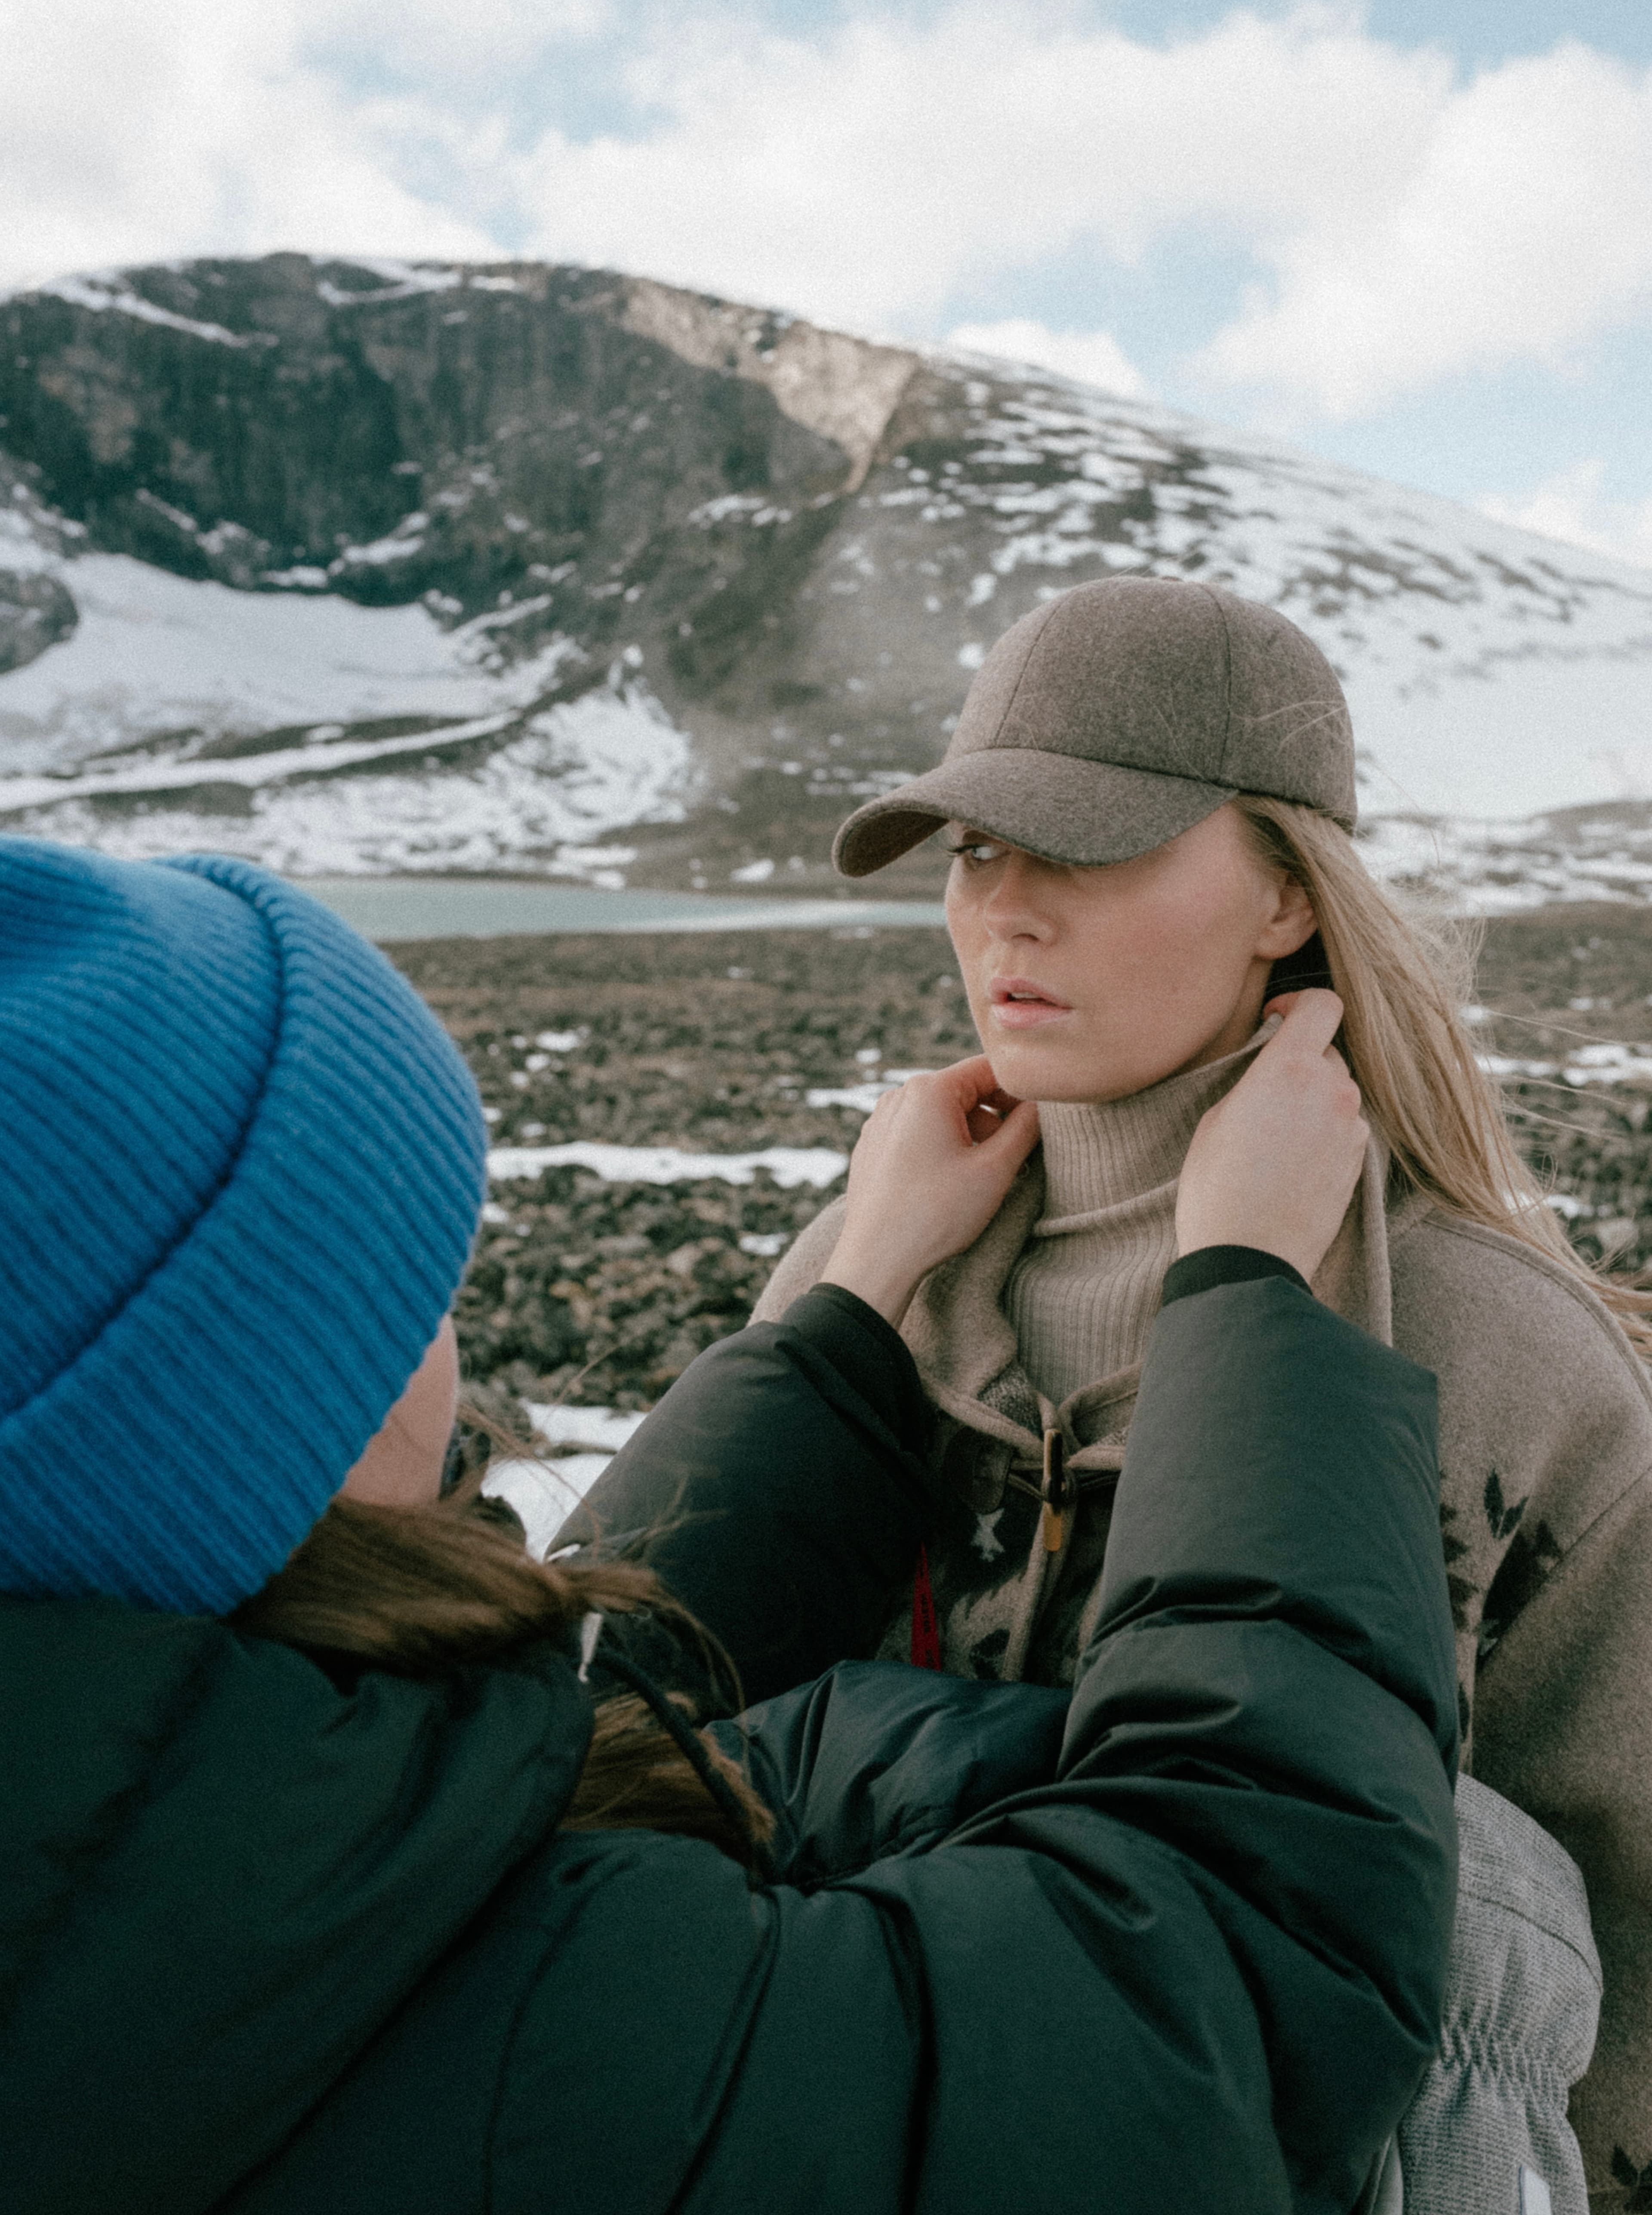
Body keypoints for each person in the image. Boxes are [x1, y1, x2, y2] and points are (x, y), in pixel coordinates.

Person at [0, 838, 1456, 2214]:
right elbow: (1236, 1990)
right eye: (406, 1300)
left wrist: (857, 1299)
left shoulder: (150, 1855)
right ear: (224, 1427)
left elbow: (498, 1768)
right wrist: (1249, 1288)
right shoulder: (569, 2052)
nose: (449, 1349)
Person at [754, 572, 1652, 2205]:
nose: (1004, 910)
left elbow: (1627, 1939)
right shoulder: (857, 1275)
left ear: (1289, 899)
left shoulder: (1496, 1350)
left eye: (1087, 844)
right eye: (972, 848)